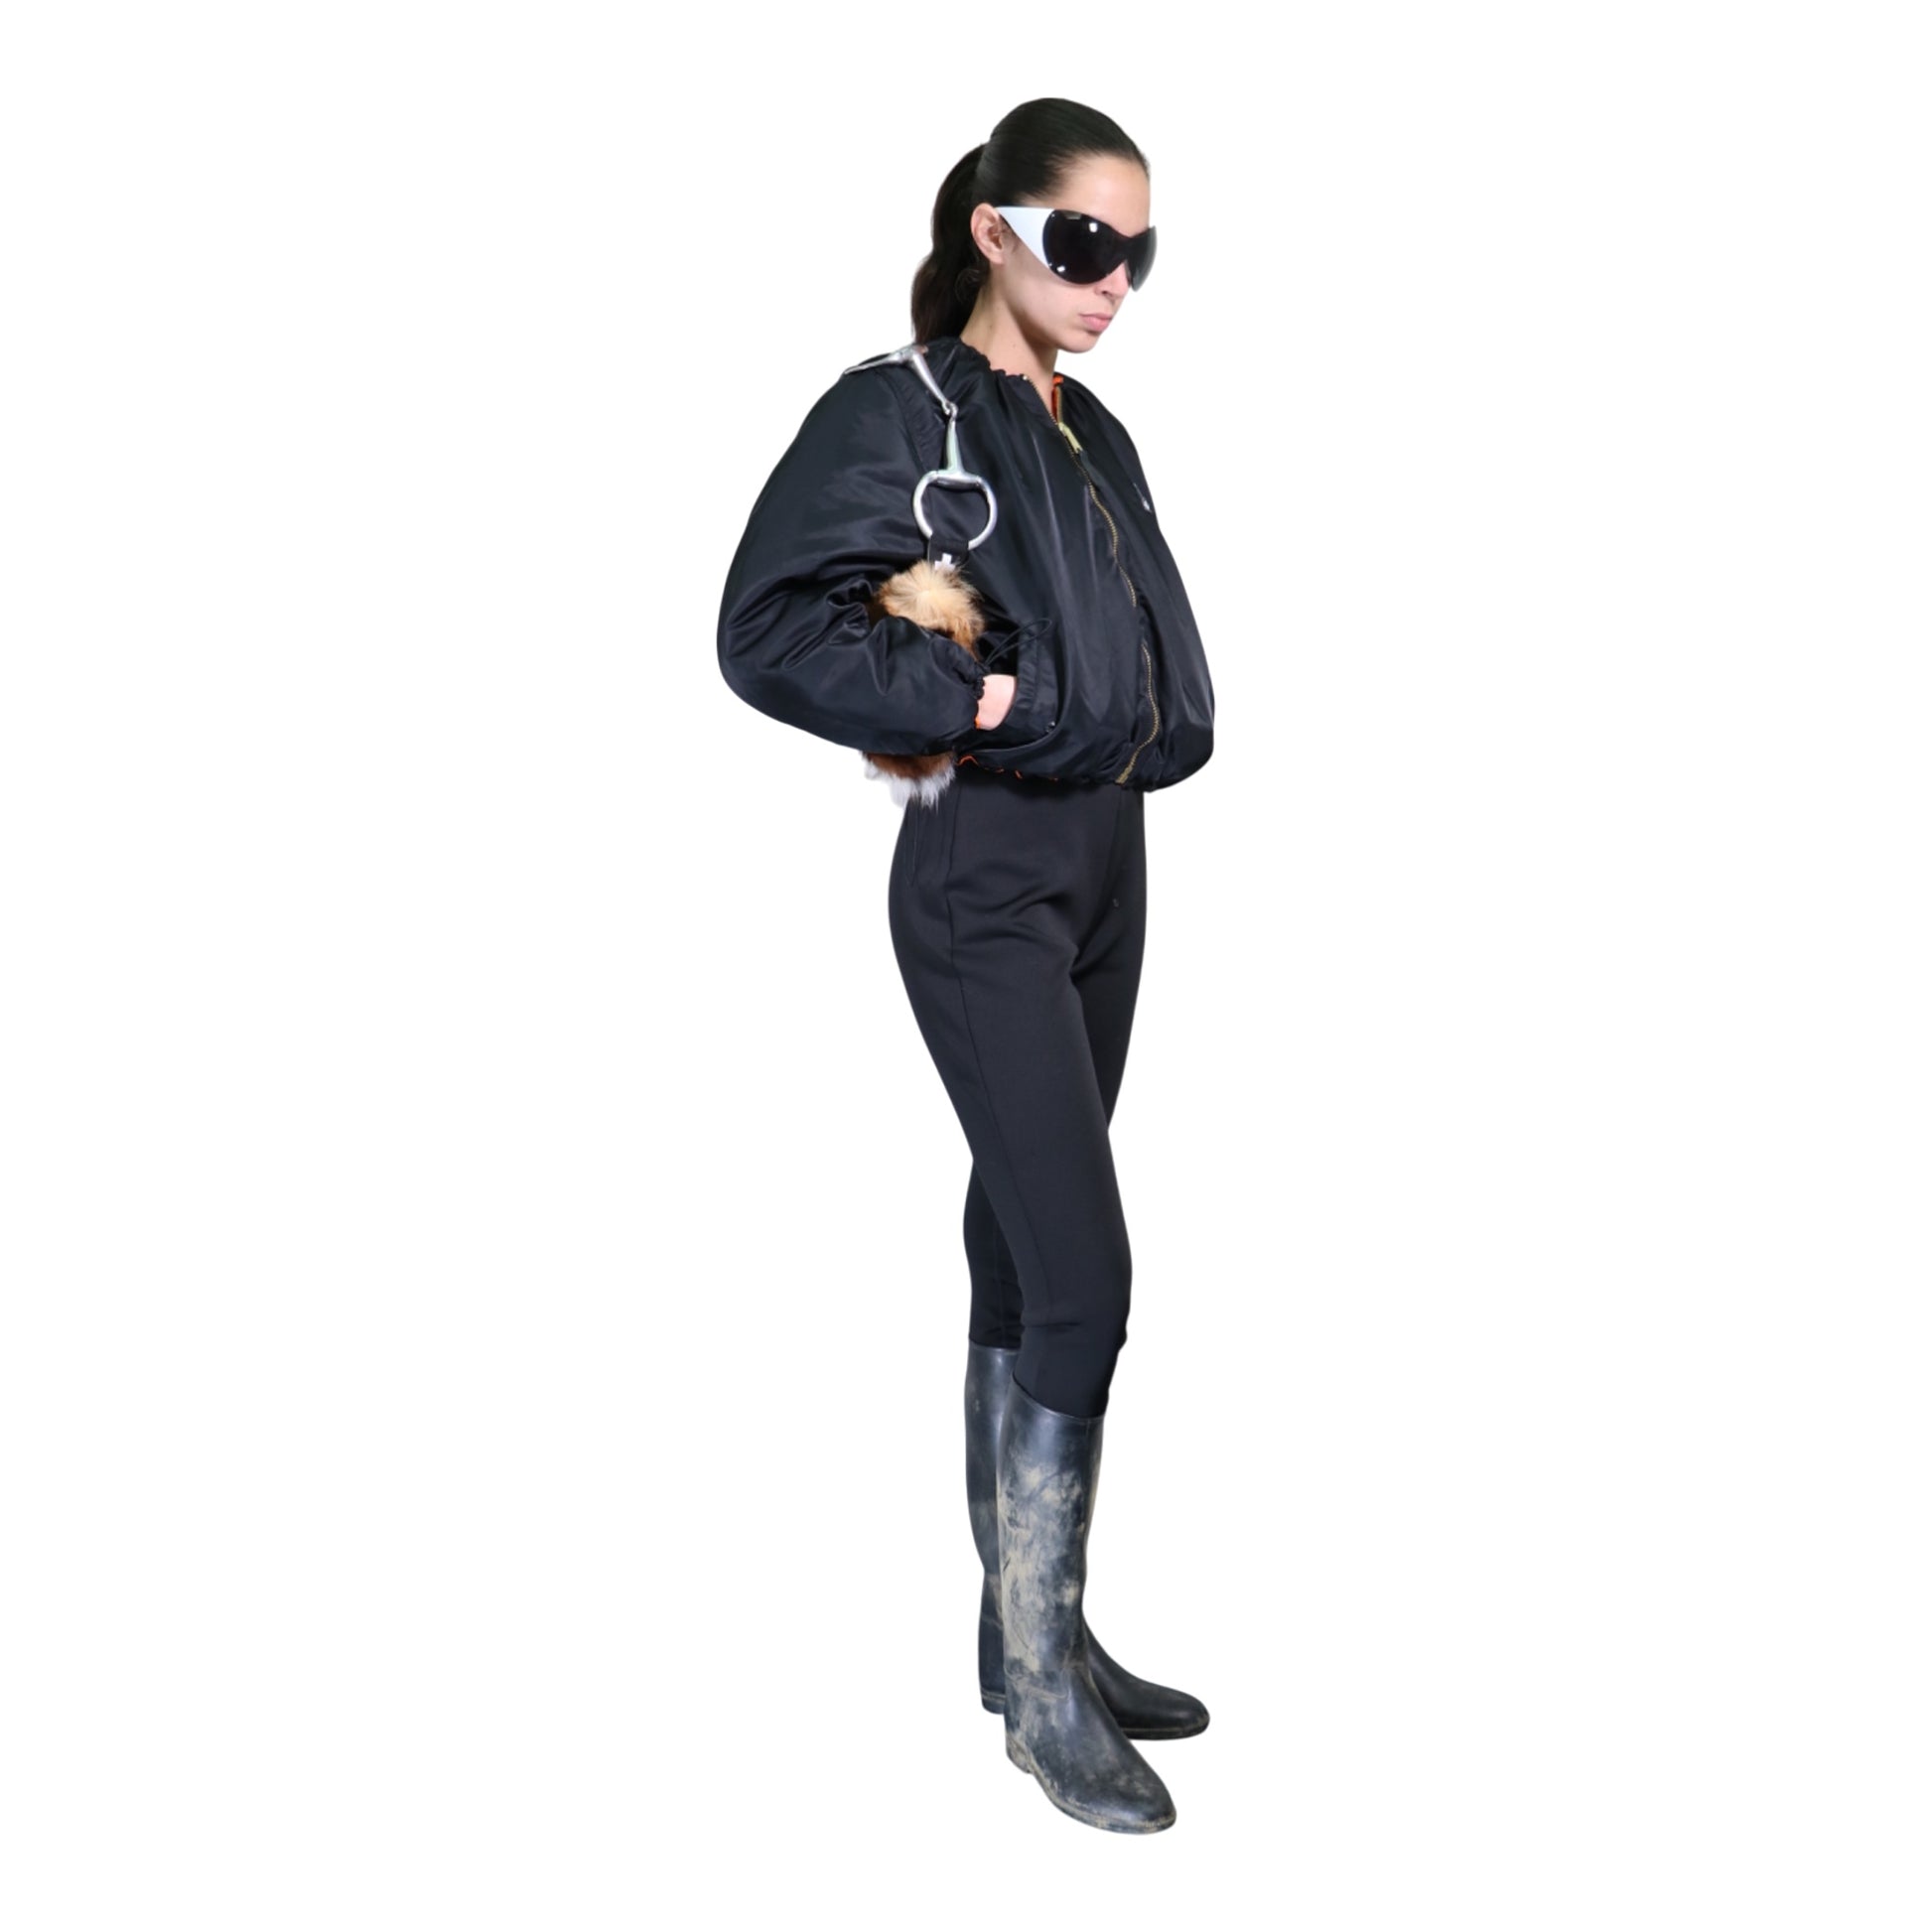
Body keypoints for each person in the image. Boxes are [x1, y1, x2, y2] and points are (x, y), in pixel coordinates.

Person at [715, 98, 1216, 1834]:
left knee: (1018, 1242)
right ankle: (1039, 1704)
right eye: (1085, 243)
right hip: (983, 870)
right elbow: (763, 626)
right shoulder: (900, 409)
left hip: (1105, 863)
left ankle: (1032, 1635)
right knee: (1085, 1274)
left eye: (1139, 253)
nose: (1113, 281)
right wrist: (966, 695)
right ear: (995, 231)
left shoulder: (1092, 429)